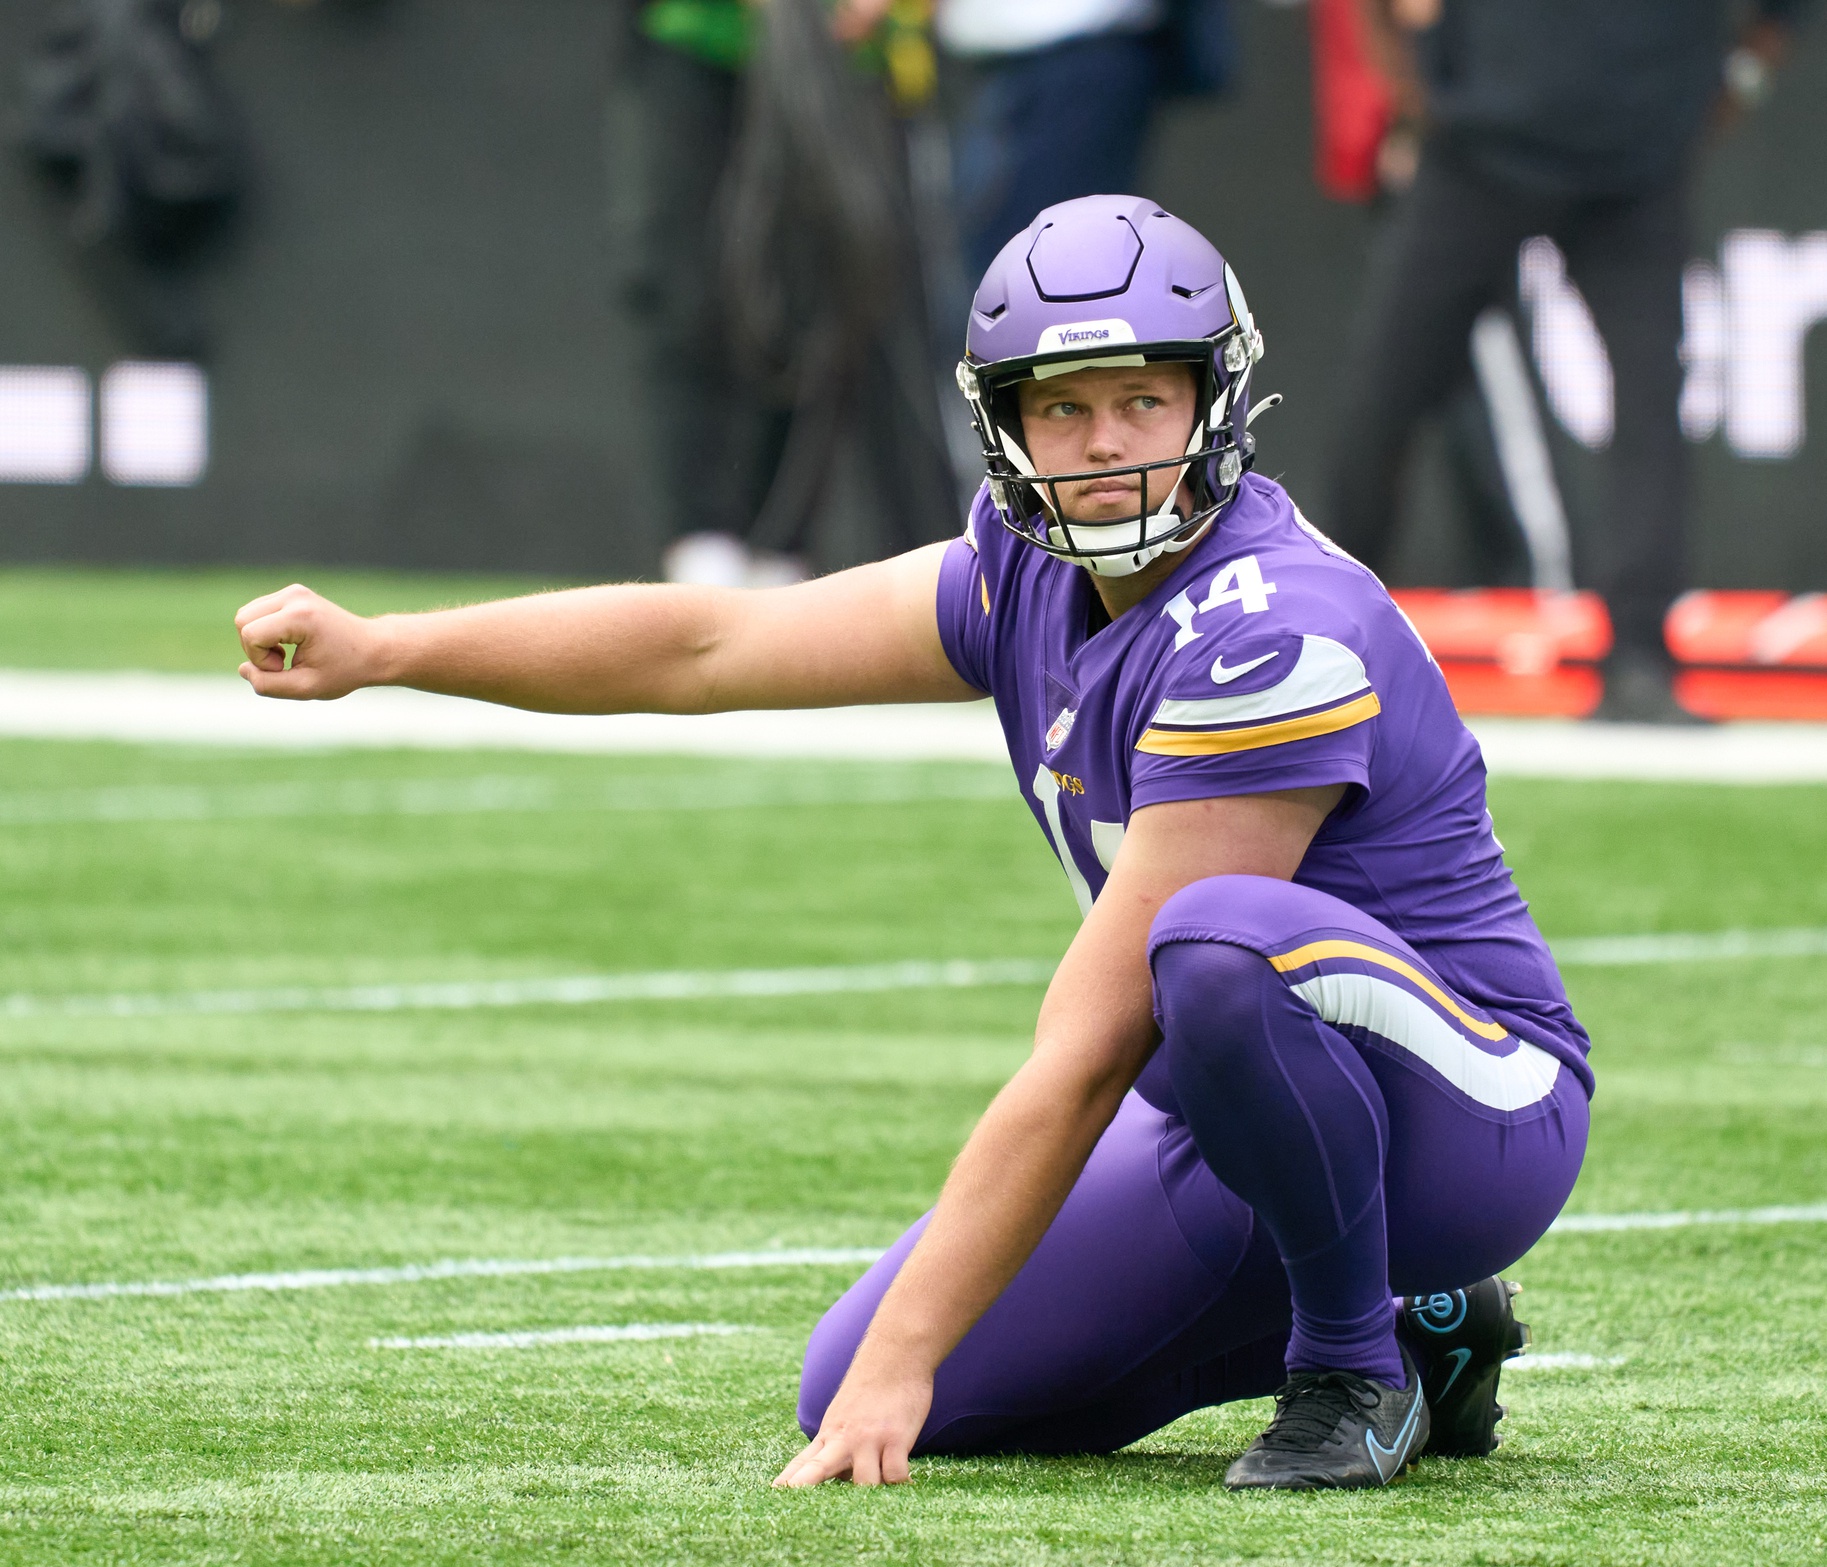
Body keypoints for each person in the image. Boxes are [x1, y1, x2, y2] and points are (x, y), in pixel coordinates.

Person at [235, 195, 1588, 1491]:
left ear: (1209, 399)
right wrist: (391, 648)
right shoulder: (1019, 571)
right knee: (860, 1388)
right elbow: (711, 642)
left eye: (1140, 398)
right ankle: (1422, 1313)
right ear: (1004, 425)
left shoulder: (1269, 627)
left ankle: (1350, 1366)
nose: (1103, 441)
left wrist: (911, 1344)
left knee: (1210, 944)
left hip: (1464, 1105)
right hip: (1227, 1104)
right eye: (1060, 407)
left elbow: (1090, 1045)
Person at [1327, 0, 1814, 723]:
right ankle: (1321, 641)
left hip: (1634, 163)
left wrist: (1734, 82)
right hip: (1478, 147)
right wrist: (1415, 89)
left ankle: (1640, 663)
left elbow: (1781, 13)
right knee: (1387, 391)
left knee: (1650, 403)